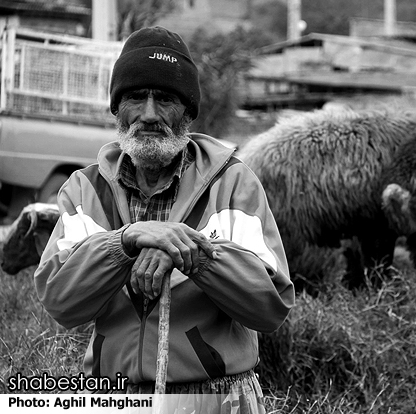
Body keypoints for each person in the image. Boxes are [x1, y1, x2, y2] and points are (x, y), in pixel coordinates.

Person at [34, 26, 294, 412]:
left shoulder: (233, 182)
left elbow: (269, 305)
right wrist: (126, 241)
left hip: (215, 397)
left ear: (188, 111)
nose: (150, 114)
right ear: (116, 109)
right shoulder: (84, 189)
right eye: (136, 97)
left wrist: (189, 250)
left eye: (167, 99)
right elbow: (61, 302)